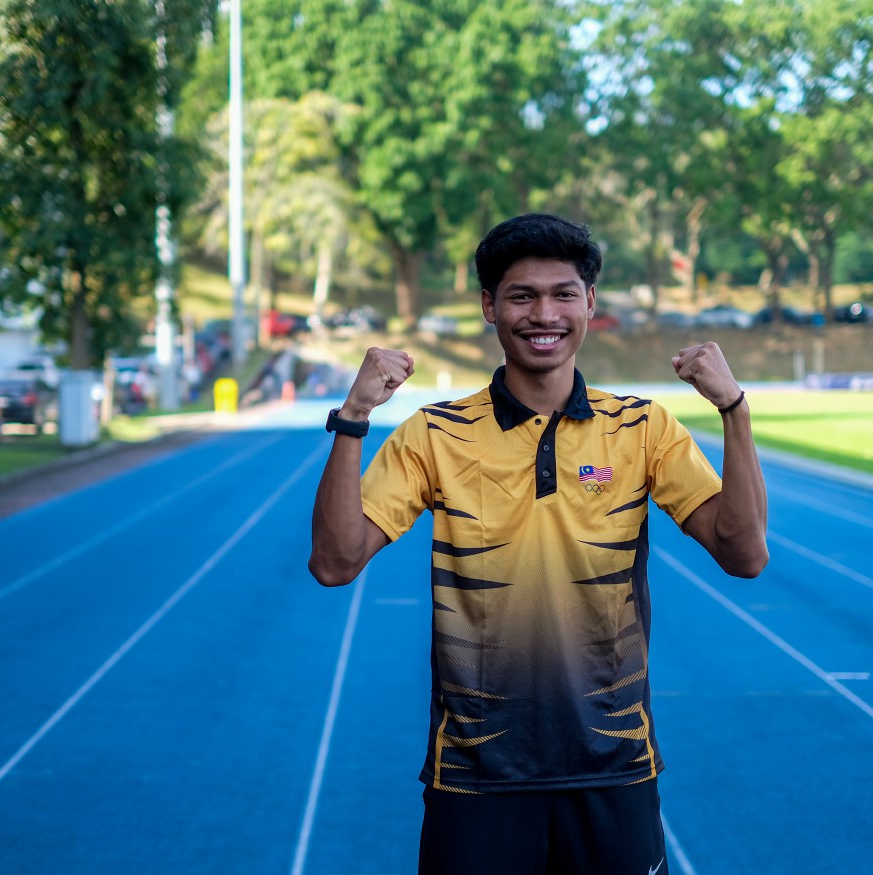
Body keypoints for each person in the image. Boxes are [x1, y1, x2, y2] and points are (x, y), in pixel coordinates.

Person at [308, 213, 768, 875]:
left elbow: (744, 553)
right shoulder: (434, 434)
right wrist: (353, 420)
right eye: (522, 296)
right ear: (490, 307)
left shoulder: (642, 428)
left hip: (613, 764)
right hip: (476, 772)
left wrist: (735, 411)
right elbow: (333, 561)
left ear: (589, 304)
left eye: (562, 294)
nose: (542, 314)